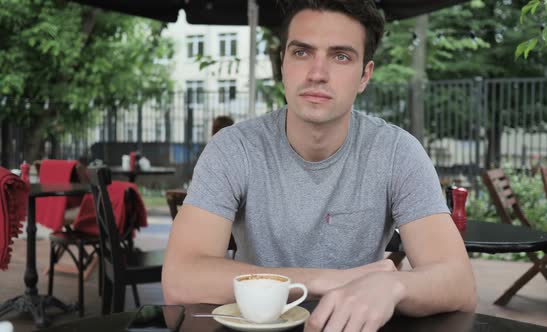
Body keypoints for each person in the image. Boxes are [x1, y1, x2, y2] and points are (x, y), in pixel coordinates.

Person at [162, 1, 476, 331]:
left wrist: (394, 286)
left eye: (341, 56)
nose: (317, 73)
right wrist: (326, 280)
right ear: (282, 62)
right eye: (301, 52)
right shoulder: (233, 148)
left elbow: (459, 283)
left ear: (364, 76)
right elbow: (180, 279)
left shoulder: (397, 152)